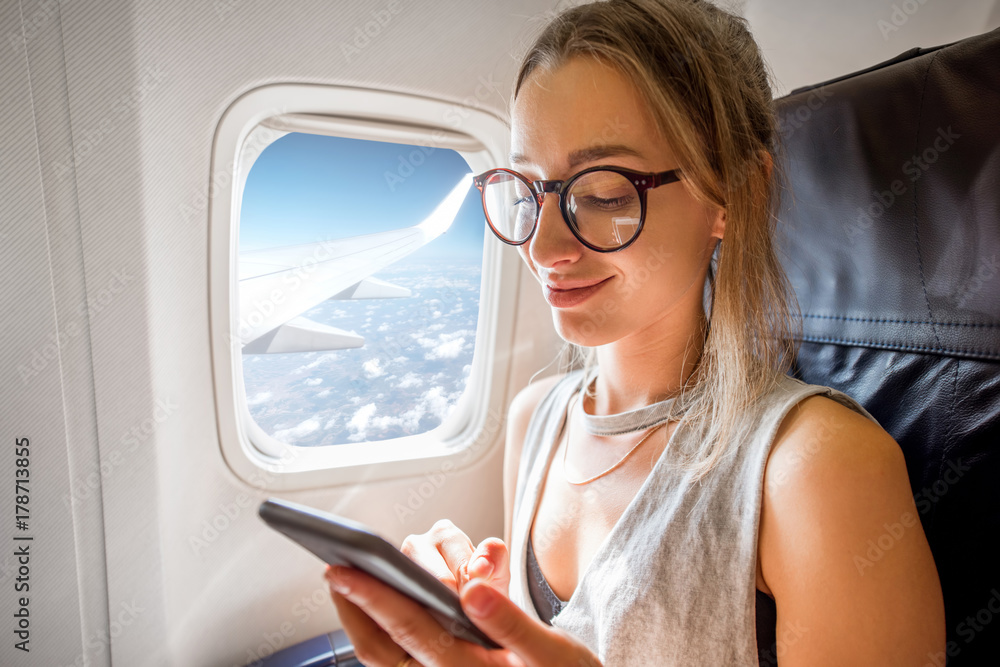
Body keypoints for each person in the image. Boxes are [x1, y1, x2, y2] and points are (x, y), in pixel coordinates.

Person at [324, 1, 946, 664]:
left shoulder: (818, 469)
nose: (544, 246)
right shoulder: (536, 420)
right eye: (531, 189)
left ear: (736, 193)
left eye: (607, 193)